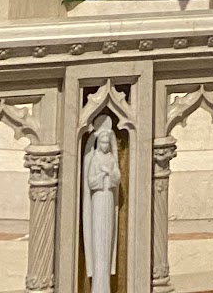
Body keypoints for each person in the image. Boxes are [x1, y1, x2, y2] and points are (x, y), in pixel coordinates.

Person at [82, 116, 121, 293]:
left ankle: (106, 285)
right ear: (98, 143)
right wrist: (102, 175)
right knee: (98, 241)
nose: (105, 146)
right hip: (97, 200)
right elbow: (90, 182)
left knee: (108, 241)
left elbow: (117, 178)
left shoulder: (111, 159)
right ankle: (98, 286)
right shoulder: (95, 158)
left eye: (107, 143)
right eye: (102, 142)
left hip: (108, 199)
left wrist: (110, 174)